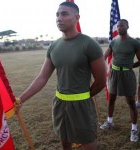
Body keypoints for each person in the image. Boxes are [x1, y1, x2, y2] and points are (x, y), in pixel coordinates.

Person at [15, 2, 106, 150]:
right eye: (57, 15)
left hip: (81, 105)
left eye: (64, 14)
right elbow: (42, 77)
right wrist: (21, 99)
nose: (59, 18)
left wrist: (84, 96)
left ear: (77, 17)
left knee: (88, 142)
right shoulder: (54, 46)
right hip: (59, 104)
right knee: (65, 140)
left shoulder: (89, 44)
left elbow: (101, 80)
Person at [100, 19, 140, 142]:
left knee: (131, 103)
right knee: (111, 99)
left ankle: (134, 130)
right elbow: (104, 56)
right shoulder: (113, 42)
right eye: (117, 26)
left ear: (127, 26)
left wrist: (130, 66)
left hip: (127, 75)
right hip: (114, 74)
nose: (119, 28)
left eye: (122, 25)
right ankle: (109, 122)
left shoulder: (134, 43)